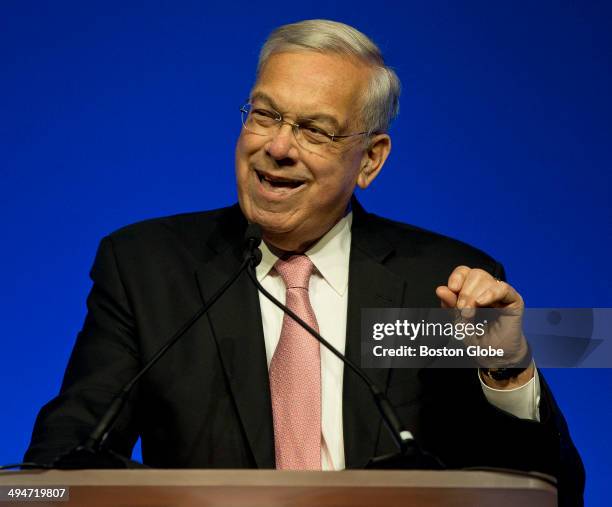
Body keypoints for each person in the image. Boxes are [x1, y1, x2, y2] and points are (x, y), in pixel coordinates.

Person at [25, 19, 584, 505]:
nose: (279, 147)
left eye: (315, 129)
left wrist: (508, 370)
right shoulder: (149, 268)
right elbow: (61, 465)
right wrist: (39, 490)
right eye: (265, 115)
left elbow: (545, 490)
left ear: (370, 160)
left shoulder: (438, 285)